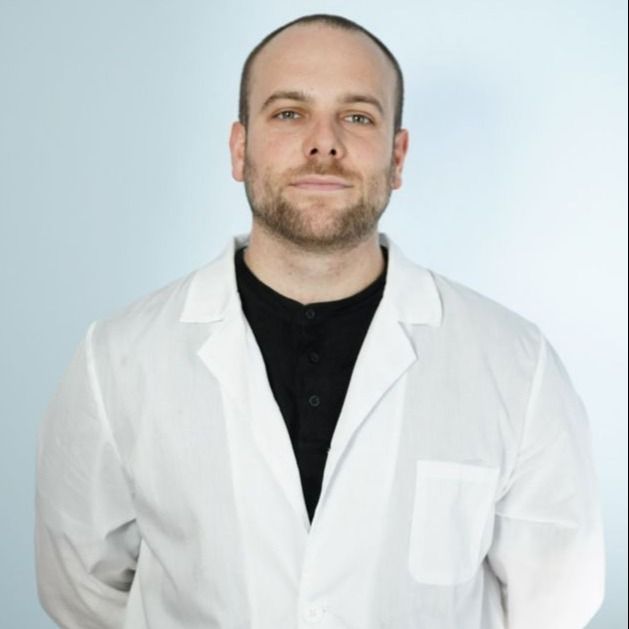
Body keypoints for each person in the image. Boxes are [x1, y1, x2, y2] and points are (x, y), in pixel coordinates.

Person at [35, 14, 605, 629]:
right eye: (289, 113)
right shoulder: (118, 358)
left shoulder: (515, 365)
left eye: (357, 117)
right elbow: (82, 591)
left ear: (398, 157)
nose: (324, 143)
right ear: (239, 148)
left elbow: (556, 599)